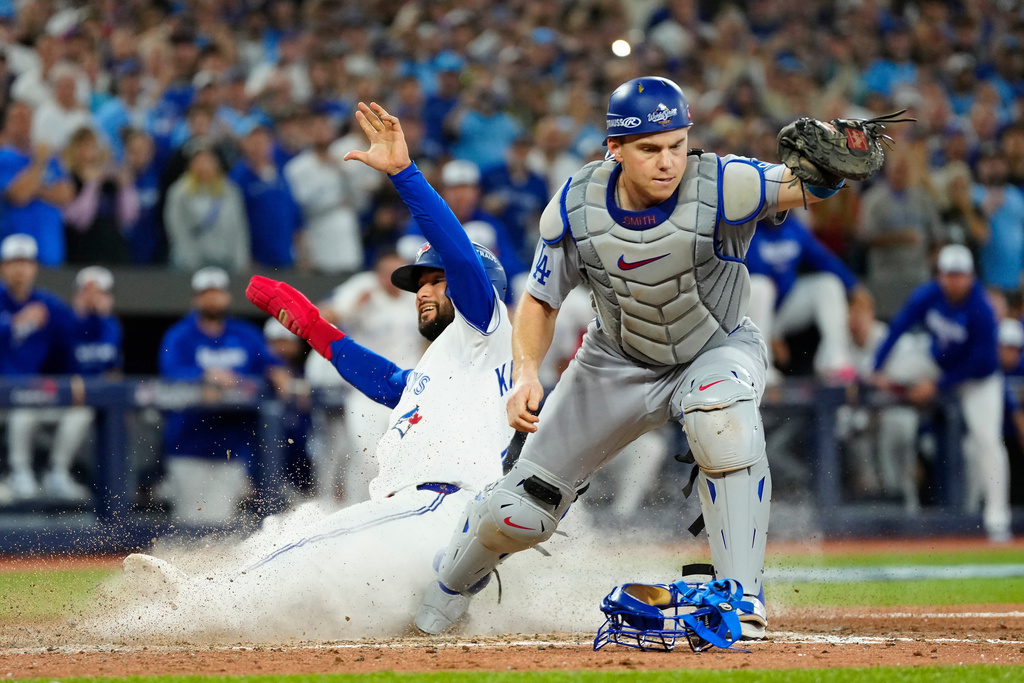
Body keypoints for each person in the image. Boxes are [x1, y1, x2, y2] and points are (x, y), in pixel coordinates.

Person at [416, 76, 876, 639]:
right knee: (522, 507)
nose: (668, 161)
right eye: (650, 148)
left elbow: (799, 186)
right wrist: (528, 372)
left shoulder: (723, 182)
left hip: (717, 346)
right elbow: (539, 301)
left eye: (677, 145)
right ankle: (440, 596)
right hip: (614, 362)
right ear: (614, 149)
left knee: (720, 414)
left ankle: (741, 600)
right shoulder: (576, 205)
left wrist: (829, 164)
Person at [123, 101, 513, 632]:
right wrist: (314, 330)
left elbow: (462, 258)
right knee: (344, 582)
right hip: (437, 520)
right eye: (419, 283)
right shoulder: (450, 364)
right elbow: (390, 383)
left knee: (310, 540)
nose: (423, 290)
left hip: (444, 507)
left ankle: (202, 604)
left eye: (434, 280)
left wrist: (405, 174)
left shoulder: (485, 327)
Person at [873, 244, 1011, 543]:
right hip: (938, 362)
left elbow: (984, 361)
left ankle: (997, 520)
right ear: (941, 275)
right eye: (949, 274)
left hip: (977, 379)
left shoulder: (982, 309)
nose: (954, 280)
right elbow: (899, 326)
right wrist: (878, 366)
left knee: (987, 440)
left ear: (971, 277)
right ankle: (909, 399)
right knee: (894, 369)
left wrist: (937, 386)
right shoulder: (928, 294)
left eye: (960, 275)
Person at [157, 267, 285, 524]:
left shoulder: (245, 334)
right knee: (191, 524)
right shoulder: (180, 335)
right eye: (206, 293)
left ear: (227, 296)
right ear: (196, 298)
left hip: (232, 446)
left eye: (217, 293)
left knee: (223, 524)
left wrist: (278, 371)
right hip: (189, 445)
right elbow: (169, 374)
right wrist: (205, 374)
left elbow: (270, 364)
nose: (213, 299)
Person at [303, 249, 420, 503]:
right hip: (367, 388)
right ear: (376, 274)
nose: (392, 278)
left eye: (397, 272)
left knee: (405, 456)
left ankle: (393, 511)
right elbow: (322, 315)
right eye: (386, 272)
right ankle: (353, 510)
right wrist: (352, 309)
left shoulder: (414, 294)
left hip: (406, 389)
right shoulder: (363, 287)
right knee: (367, 455)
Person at [745, 211, 868, 383]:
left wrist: (855, 288)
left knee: (828, 284)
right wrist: (771, 336)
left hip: (783, 310)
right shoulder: (745, 227)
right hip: (751, 316)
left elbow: (823, 258)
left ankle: (835, 361)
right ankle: (760, 366)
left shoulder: (793, 226)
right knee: (761, 286)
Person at [0, 234, 79, 501]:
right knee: (23, 409)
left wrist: (90, 315)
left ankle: (57, 473)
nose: (20, 268)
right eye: (13, 262)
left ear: (34, 268)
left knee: (80, 411)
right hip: (3, 391)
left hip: (31, 392)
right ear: (3, 267)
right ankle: (17, 472)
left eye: (26, 262)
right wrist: (13, 324)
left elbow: (75, 338)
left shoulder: (48, 304)